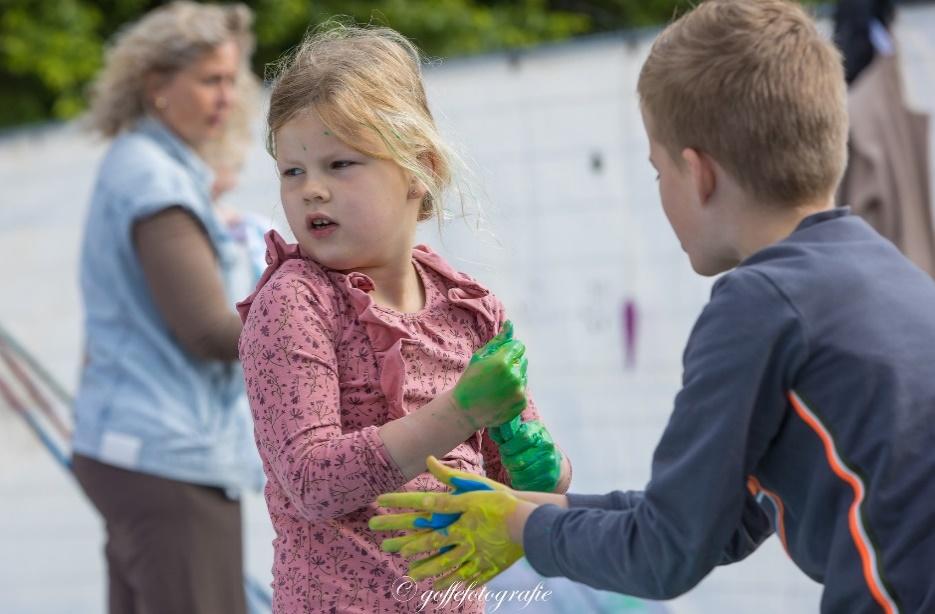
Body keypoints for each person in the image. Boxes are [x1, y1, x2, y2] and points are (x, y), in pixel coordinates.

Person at [373, 1, 935, 612]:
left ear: (699, 175)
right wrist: (525, 509)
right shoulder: (888, 273)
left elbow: (665, 553)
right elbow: (725, 520)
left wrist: (516, 530)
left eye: (656, 172)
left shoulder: (759, 304)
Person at [235, 23, 572, 613]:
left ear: (420, 169)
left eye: (340, 164)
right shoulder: (297, 302)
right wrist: (459, 412)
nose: (311, 190)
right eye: (292, 171)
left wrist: (535, 457)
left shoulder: (469, 310)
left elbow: (514, 491)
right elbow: (313, 483)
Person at [71, 3, 263, 613]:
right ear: (156, 85)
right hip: (168, 458)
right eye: (210, 80)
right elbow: (207, 330)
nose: (226, 97)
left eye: (232, 80)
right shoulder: (154, 180)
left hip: (140, 453)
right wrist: (314, 324)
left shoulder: (156, 169)